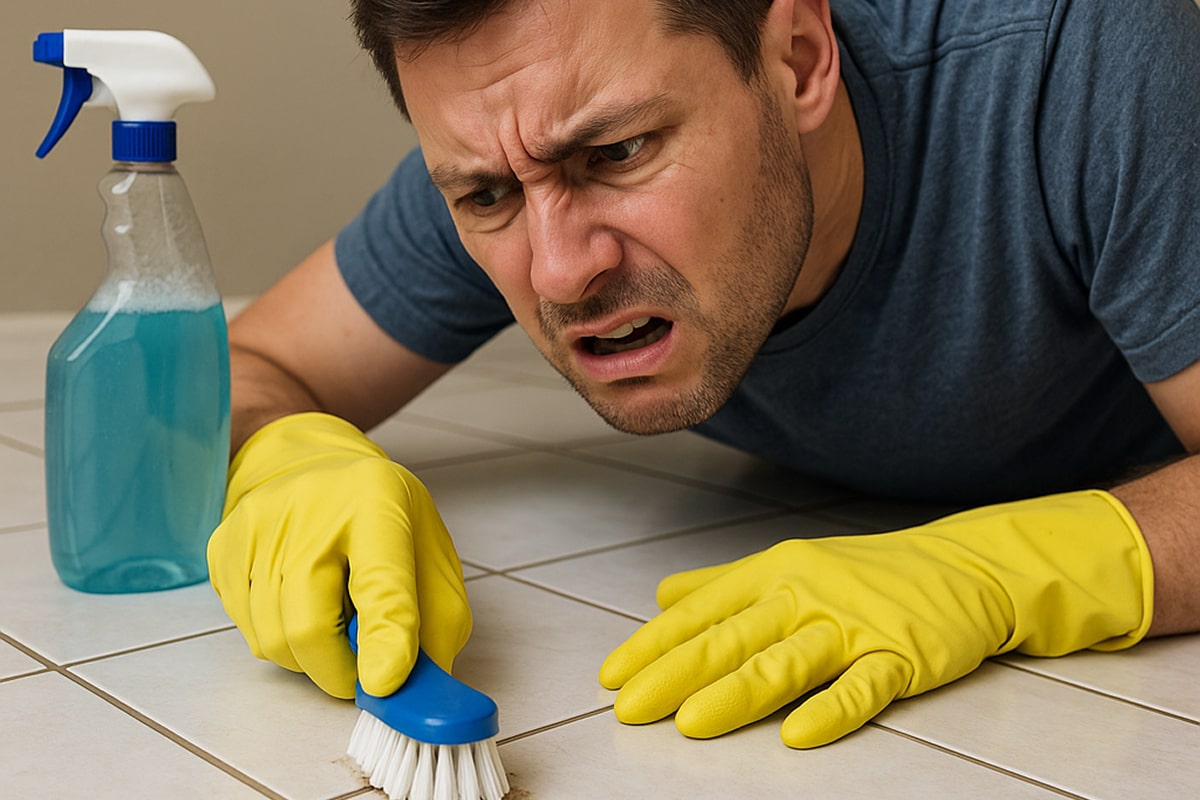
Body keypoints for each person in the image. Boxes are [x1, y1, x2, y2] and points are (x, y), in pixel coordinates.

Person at [208, 0, 1200, 749]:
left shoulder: (1086, 69)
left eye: (621, 151)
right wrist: (285, 455)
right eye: (487, 194)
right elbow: (255, 365)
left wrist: (1012, 571)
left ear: (798, 58)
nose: (559, 268)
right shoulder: (516, 152)